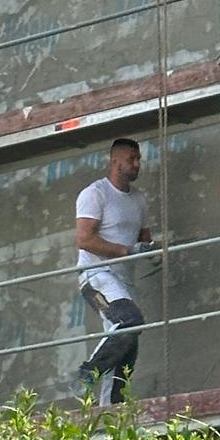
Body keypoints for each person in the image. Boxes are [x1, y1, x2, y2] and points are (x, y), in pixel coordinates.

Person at [74, 136, 154, 405]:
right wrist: (126, 250)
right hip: (96, 276)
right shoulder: (95, 194)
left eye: (139, 159)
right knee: (128, 322)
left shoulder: (138, 200)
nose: (137, 164)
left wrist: (152, 249)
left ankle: (111, 407)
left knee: (127, 346)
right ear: (115, 160)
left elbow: (144, 238)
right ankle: (87, 373)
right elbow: (84, 239)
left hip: (124, 281)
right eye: (132, 158)